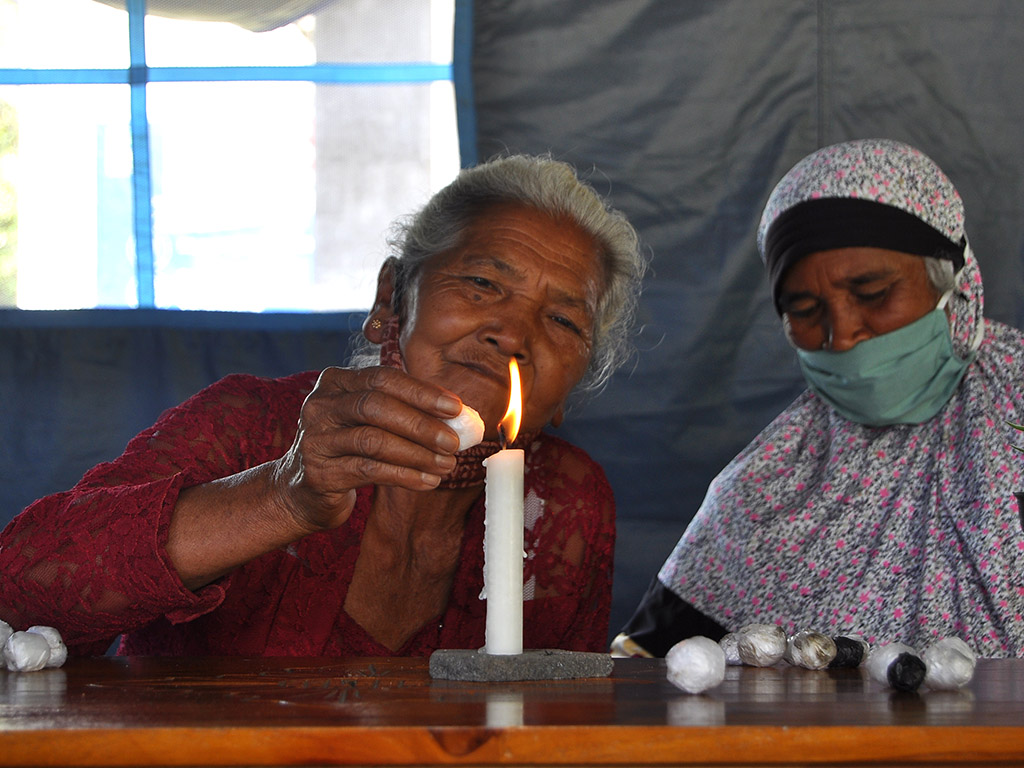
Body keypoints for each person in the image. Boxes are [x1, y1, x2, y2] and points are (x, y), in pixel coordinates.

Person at [0, 154, 646, 658]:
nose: (512, 333)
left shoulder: (568, 499)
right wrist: (285, 494)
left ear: (576, 383)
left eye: (563, 320)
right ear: (390, 300)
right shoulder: (249, 424)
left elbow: (559, 719)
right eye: (481, 283)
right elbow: (19, 597)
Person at [614, 138, 1024, 659]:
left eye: (873, 294)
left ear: (954, 280)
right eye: (806, 309)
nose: (843, 334)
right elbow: (650, 675)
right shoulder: (763, 493)